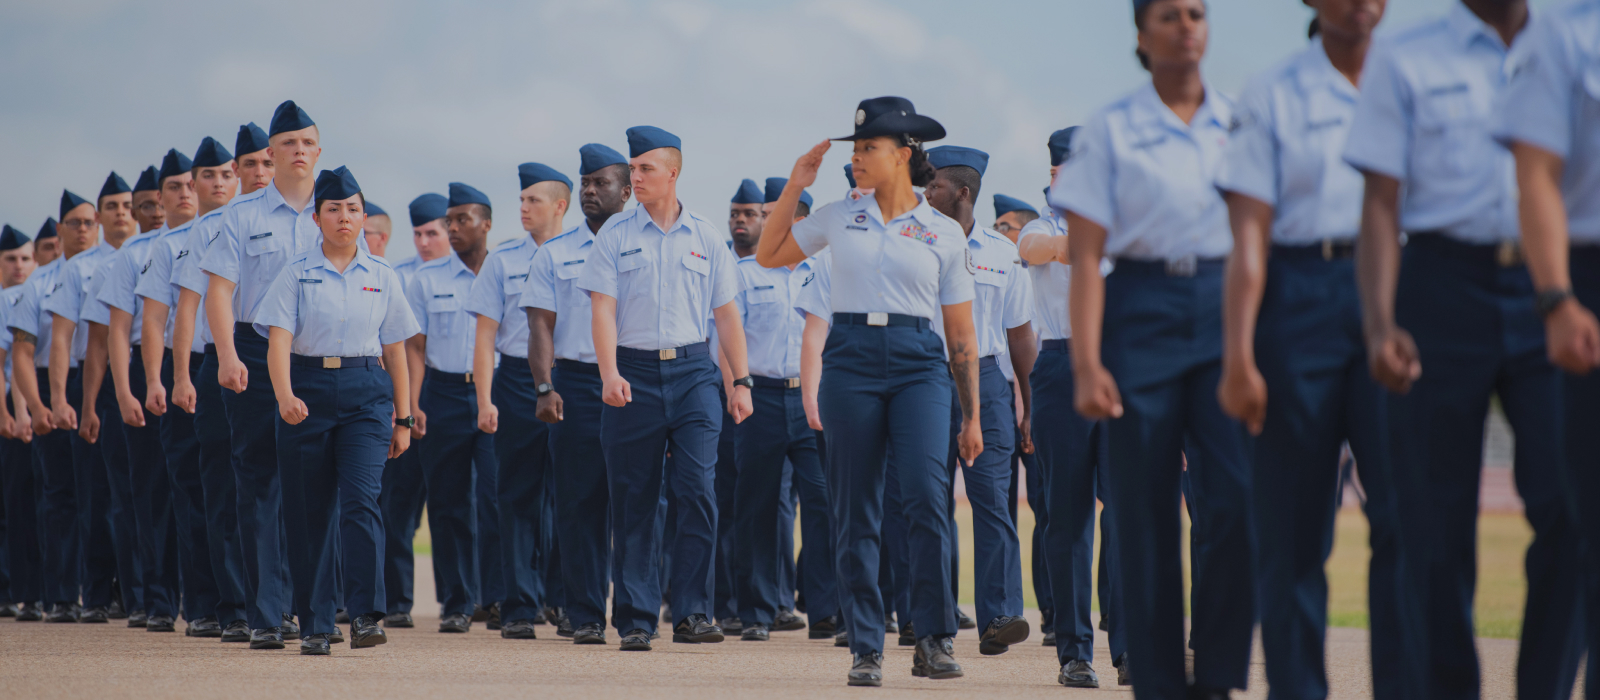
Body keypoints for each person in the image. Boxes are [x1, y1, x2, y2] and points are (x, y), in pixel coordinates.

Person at [1349, 0, 1584, 697]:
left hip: (1554, 284)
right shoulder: (1407, 54)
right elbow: (1380, 203)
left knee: (1575, 508)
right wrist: (1379, 321)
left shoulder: (1573, 44)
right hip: (1440, 286)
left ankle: (1543, 685)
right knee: (1433, 521)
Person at [1214, 3, 1420, 699]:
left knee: (1408, 516)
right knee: (1295, 528)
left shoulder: (1414, 79)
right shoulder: (1274, 91)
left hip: (1400, 293)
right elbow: (1248, 236)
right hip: (1299, 295)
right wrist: (1238, 353)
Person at [1052, 1, 1256, 695]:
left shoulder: (1239, 121)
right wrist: (1086, 363)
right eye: (1168, 14)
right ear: (1142, 36)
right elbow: (1085, 258)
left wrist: (1255, 348)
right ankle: (1159, 679)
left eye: (1197, 11)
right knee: (1143, 512)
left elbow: (1259, 243)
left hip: (1223, 304)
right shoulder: (1113, 129)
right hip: (1139, 309)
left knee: (1234, 501)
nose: (1187, 24)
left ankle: (1220, 672)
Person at [757, 96, 979, 686]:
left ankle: (932, 638)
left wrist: (973, 415)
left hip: (919, 366)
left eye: (867, 149)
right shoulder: (836, 215)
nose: (855, 158)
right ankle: (865, 644)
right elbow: (768, 252)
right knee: (854, 508)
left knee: (928, 501)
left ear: (903, 156)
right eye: (854, 149)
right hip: (850, 361)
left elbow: (960, 333)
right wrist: (796, 184)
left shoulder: (943, 233)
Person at [577, 125, 752, 652]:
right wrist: (609, 373)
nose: (636, 177)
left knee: (697, 491)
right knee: (635, 499)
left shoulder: (705, 237)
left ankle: (695, 612)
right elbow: (602, 309)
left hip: (695, 371)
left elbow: (726, 316)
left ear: (672, 173)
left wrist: (739, 381)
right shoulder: (615, 236)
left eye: (645, 168)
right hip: (632, 372)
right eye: (632, 169)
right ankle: (635, 618)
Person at [255, 165, 418, 656]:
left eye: (352, 209)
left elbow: (397, 351)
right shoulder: (295, 273)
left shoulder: (383, 276)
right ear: (317, 219)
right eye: (333, 210)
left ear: (364, 216)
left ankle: (366, 615)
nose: (344, 218)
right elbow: (277, 342)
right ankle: (316, 624)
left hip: (368, 393)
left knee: (362, 501)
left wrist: (404, 418)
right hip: (307, 389)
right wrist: (284, 396)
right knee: (308, 514)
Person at [1498, 3, 1600, 699]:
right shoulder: (1563, 34)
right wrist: (1558, 299)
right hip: (1583, 279)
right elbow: (1534, 173)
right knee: (1579, 516)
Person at [201, 100, 322, 649]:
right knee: (259, 482)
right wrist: (226, 355)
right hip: (252, 348)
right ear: (269, 156)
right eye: (288, 144)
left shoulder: (337, 210)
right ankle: (267, 615)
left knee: (317, 484)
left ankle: (315, 609)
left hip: (315, 353)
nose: (298, 151)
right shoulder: (240, 217)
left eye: (307, 143)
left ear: (318, 151)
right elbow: (219, 292)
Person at [1016, 125, 1129, 688]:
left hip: (1123, 366)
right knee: (1069, 517)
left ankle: (1131, 647)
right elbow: (1034, 249)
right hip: (1062, 366)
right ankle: (1075, 651)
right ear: (1057, 176)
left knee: (1130, 513)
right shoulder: (1043, 227)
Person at [923, 144, 1036, 657]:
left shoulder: (1002, 252)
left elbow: (1019, 336)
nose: (926, 192)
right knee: (927, 502)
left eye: (935, 184)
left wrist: (1026, 405)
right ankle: (934, 620)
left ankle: (1000, 616)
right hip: (923, 378)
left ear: (963, 193)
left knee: (993, 501)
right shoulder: (915, 240)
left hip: (988, 383)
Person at [166, 121, 274, 644]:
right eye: (246, 165)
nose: (257, 174)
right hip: (222, 365)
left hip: (284, 364)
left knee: (282, 488)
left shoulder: (307, 221)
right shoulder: (210, 228)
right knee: (223, 487)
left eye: (263, 163)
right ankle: (229, 604)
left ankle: (284, 604)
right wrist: (184, 374)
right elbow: (188, 308)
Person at [520, 142, 631, 645]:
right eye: (584, 183)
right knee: (579, 502)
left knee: (637, 501)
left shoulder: (643, 244)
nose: (589, 190)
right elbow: (540, 325)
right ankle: (584, 612)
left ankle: (636, 614)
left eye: (600, 183)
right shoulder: (555, 254)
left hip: (637, 379)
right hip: (579, 384)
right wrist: (545, 386)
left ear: (626, 192)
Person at [138, 136, 245, 640]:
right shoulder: (172, 244)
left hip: (256, 366)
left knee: (254, 491)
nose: (219, 183)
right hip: (199, 370)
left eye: (227, 174)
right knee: (194, 491)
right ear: (194, 186)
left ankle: (261, 602)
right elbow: (154, 320)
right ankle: (203, 603)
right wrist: (164, 378)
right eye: (209, 176)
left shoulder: (253, 226)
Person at [464, 165, 571, 637]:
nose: (523, 208)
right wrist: (485, 399)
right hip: (515, 383)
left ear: (559, 206)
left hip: (573, 379)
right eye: (521, 200)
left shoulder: (585, 255)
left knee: (574, 494)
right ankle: (520, 605)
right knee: (516, 496)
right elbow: (484, 337)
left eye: (533, 200)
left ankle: (568, 601)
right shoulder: (503, 260)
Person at [728, 176, 834, 643]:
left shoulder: (828, 270)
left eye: (775, 216)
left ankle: (828, 610)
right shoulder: (747, 273)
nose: (766, 223)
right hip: (763, 397)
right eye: (764, 215)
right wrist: (740, 386)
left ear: (803, 221)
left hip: (817, 399)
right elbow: (727, 343)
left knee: (824, 506)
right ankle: (757, 610)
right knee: (757, 507)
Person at [403, 181, 499, 634]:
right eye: (450, 221)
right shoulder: (427, 279)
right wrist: (414, 403)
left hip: (498, 394)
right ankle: (457, 602)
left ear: (486, 224)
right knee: (448, 502)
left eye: (462, 220)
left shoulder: (505, 273)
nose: (454, 228)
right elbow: (416, 349)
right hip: (442, 394)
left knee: (499, 498)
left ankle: (501, 598)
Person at [11, 190, 98, 623]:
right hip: (49, 386)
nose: (82, 229)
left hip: (100, 381)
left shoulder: (110, 268)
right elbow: (22, 355)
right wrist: (36, 406)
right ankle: (62, 594)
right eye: (74, 223)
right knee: (59, 495)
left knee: (103, 494)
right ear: (59, 229)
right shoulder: (38, 285)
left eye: (88, 222)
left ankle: (104, 593)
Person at [378, 192, 447, 629]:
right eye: (418, 233)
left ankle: (465, 599)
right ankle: (397, 601)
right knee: (397, 507)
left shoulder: (474, 273)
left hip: (453, 397)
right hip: (403, 400)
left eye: (433, 232)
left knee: (455, 508)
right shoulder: (396, 275)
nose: (424, 241)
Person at [0, 224, 41, 621]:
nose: (19, 266)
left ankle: (32, 590)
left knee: (32, 502)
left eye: (26, 258)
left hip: (27, 407)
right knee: (11, 504)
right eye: (10, 259)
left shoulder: (35, 294)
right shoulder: (4, 301)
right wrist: (9, 415)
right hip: (13, 411)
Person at [132, 167, 166, 236]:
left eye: (163, 206)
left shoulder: (188, 245)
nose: (157, 214)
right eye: (147, 207)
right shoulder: (128, 246)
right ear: (133, 213)